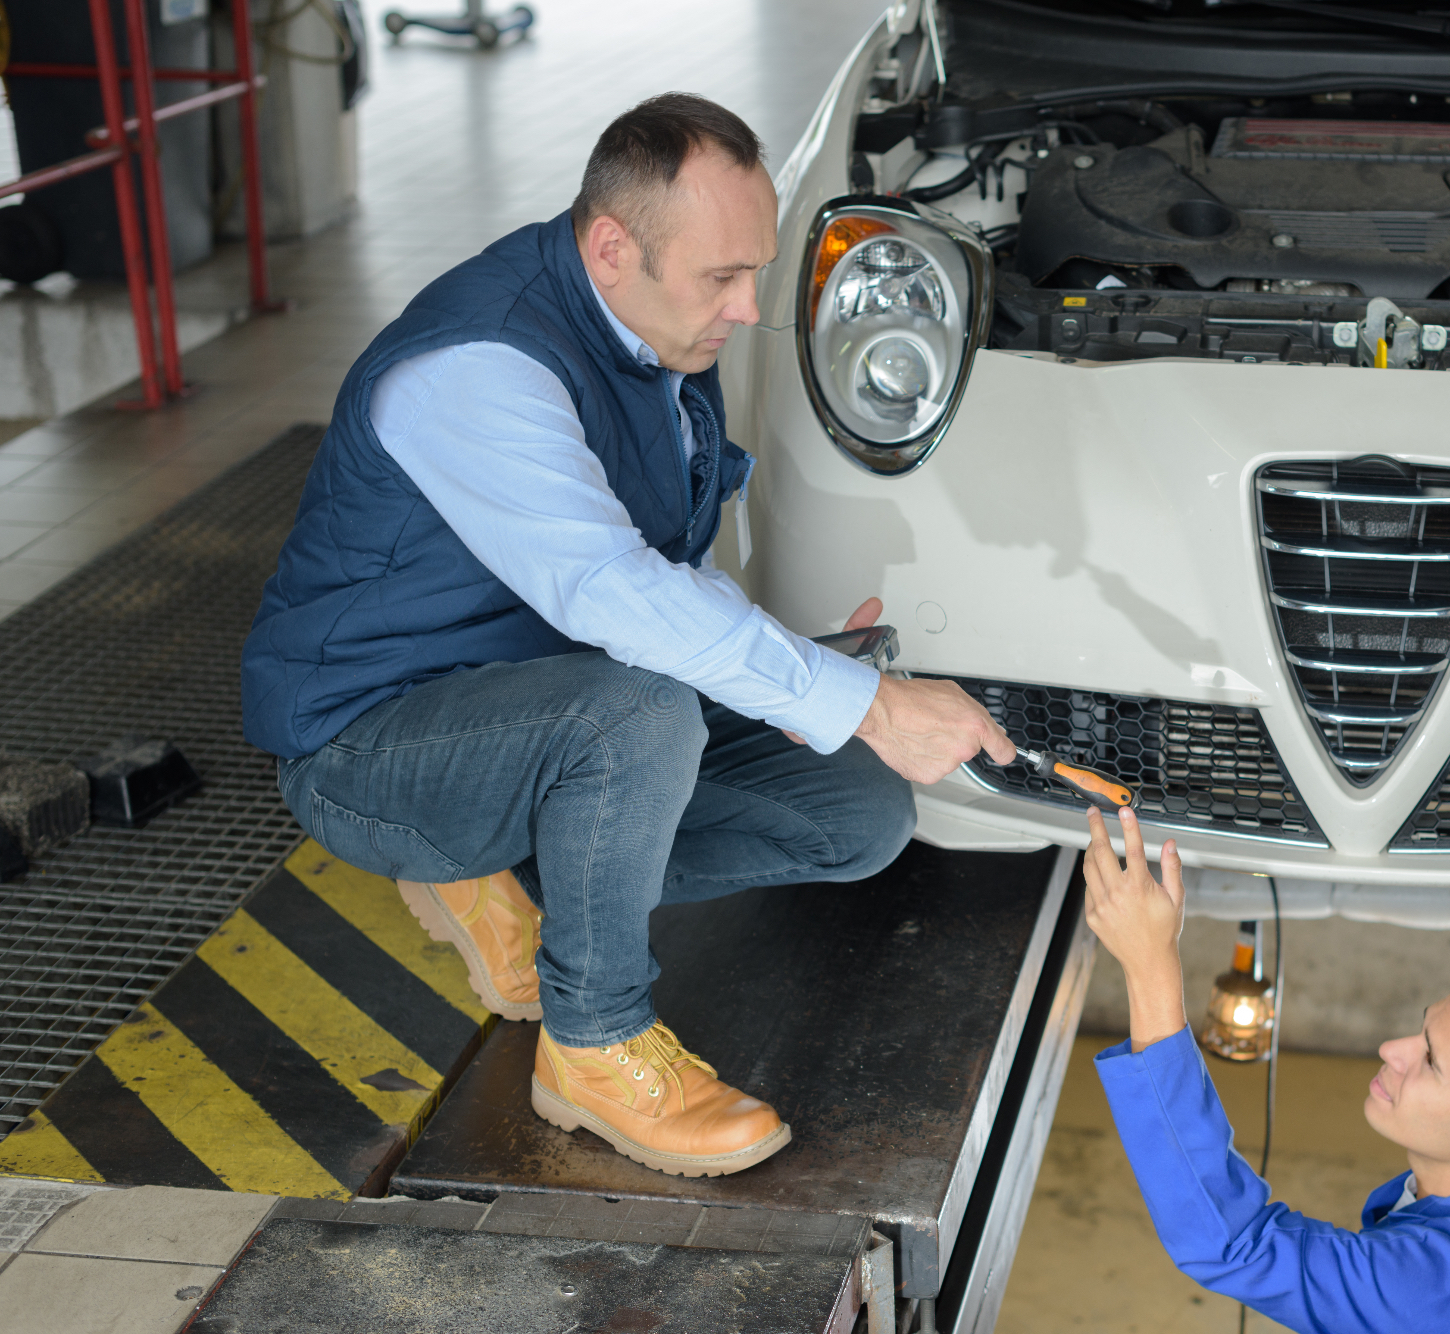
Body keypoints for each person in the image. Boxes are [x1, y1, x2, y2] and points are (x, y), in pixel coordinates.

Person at [240, 93, 1013, 1178]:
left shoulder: (654, 345)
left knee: (858, 812)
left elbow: (665, 574)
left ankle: (503, 873)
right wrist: (867, 705)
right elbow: (611, 594)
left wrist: (805, 674)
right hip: (370, 741)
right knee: (636, 716)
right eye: (722, 277)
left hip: (542, 703)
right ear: (611, 247)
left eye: (756, 272)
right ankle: (592, 1044)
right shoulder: (482, 364)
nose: (748, 309)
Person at [1081, 805, 1450, 1334]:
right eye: (1422, 1030)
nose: (1390, 1049)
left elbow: (1235, 1244)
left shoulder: (1436, 1292)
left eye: (1430, 1061)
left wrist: (1149, 966)